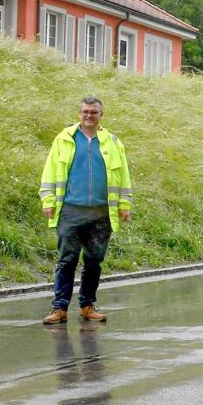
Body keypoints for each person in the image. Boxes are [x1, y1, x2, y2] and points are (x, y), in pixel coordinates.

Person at [40, 97, 132, 324]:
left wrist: (124, 204)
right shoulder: (64, 139)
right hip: (71, 210)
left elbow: (123, 176)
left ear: (101, 115)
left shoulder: (112, 142)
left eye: (94, 112)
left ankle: (87, 306)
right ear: (79, 113)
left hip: (101, 213)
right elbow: (50, 171)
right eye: (85, 112)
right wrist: (48, 200)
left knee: (93, 262)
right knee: (66, 260)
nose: (89, 115)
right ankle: (59, 308)